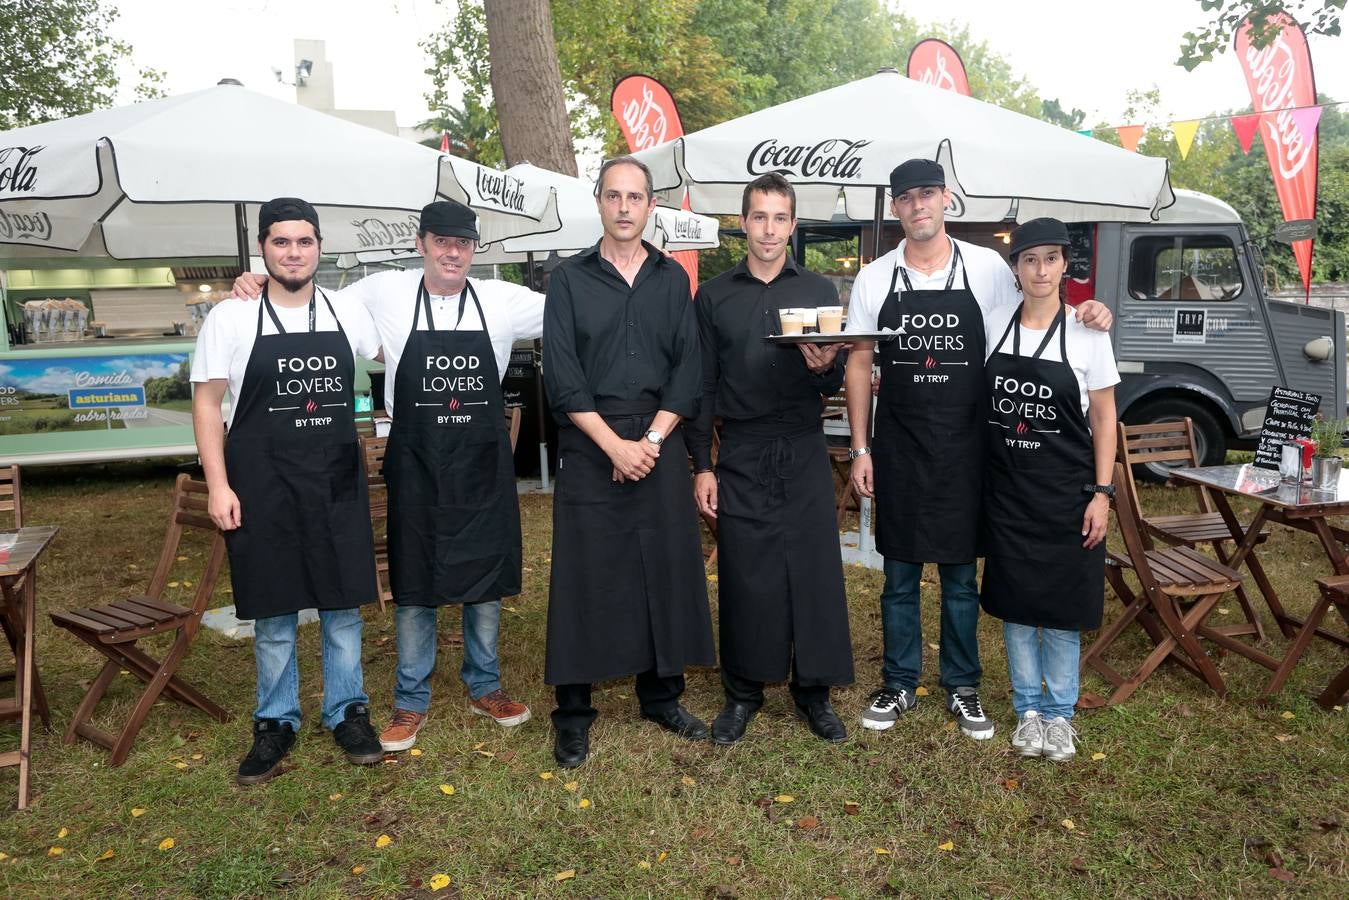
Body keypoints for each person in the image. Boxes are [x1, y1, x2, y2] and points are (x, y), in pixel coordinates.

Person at [231, 200, 542, 752]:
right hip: (417, 457)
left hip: (481, 462)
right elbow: (307, 298)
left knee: (486, 575)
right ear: (421, 243)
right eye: (442, 241)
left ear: (475, 249)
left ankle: (485, 685)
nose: (453, 251)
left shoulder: (504, 299)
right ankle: (410, 698)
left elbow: (581, 302)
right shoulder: (382, 292)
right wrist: (257, 280)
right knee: (415, 575)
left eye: (464, 243)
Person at [844, 159, 1113, 740]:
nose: (919, 206)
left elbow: (1039, 312)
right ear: (896, 207)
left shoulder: (989, 267)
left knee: (961, 577)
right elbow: (860, 362)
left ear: (947, 200)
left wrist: (1089, 311)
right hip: (902, 448)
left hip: (970, 449)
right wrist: (861, 449)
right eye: (908, 197)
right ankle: (898, 682)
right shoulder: (875, 279)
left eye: (929, 195)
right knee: (899, 575)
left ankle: (963, 686)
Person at [193, 198, 384, 784]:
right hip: (261, 481)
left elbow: (388, 343)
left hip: (332, 480)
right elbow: (205, 404)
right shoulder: (230, 317)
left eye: (304, 241)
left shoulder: (347, 309)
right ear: (263, 249)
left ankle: (347, 710)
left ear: (320, 247)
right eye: (281, 242)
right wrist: (217, 485)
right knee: (274, 609)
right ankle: (275, 720)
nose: (294, 252)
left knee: (341, 604)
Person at [542, 156, 714, 768]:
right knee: (589, 575)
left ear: (649, 206)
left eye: (635, 197)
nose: (623, 207)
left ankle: (661, 695)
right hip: (590, 444)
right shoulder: (567, 280)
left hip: (658, 440)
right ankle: (574, 711)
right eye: (613, 195)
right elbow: (561, 376)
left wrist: (652, 441)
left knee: (661, 568)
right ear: (599, 202)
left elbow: (688, 369)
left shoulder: (673, 280)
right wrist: (614, 446)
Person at [686, 173, 853, 745]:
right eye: (760, 217)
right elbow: (702, 385)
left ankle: (815, 693)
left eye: (780, 218)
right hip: (742, 446)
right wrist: (701, 465)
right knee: (745, 569)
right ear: (742, 222)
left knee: (811, 568)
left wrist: (823, 366)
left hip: (803, 442)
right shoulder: (712, 296)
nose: (769, 229)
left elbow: (829, 379)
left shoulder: (819, 291)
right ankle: (743, 692)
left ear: (793, 225)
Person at [981, 217, 1118, 762]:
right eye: (1029, 259)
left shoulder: (1088, 332)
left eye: (1050, 259)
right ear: (1015, 269)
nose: (1040, 270)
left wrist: (1102, 493)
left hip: (1068, 493)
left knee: (1061, 608)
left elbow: (1105, 419)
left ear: (1065, 266)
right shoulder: (993, 324)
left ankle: (1060, 715)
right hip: (1008, 493)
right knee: (1017, 605)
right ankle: (1027, 711)